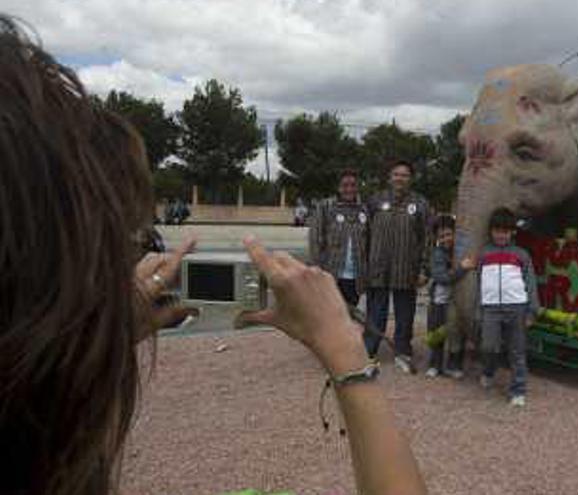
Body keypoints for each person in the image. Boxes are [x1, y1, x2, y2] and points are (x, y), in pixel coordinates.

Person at [0, 16, 426, 495]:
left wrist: (99, 334)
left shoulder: (402, 207)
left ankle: (402, 348)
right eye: (121, 251)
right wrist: (349, 359)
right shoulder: (334, 207)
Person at [461, 208, 539, 407]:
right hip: (490, 309)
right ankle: (488, 371)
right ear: (491, 231)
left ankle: (518, 390)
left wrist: (532, 310)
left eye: (505, 231)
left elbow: (530, 283)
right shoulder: (484, 254)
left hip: (517, 308)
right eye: (497, 231)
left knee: (517, 351)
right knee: (488, 346)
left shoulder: (521, 255)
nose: (501, 235)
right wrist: (478, 309)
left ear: (512, 232)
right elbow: (479, 283)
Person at [363, 159, 431, 374]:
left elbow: (427, 239)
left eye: (404, 175)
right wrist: (365, 264)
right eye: (396, 174)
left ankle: (403, 351)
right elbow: (365, 235)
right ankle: (369, 351)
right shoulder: (375, 201)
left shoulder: (420, 204)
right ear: (389, 177)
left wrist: (424, 269)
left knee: (405, 314)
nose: (399, 178)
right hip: (378, 268)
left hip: (406, 269)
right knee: (375, 312)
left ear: (410, 179)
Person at [308, 169, 369, 306]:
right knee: (329, 317)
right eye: (345, 185)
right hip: (331, 275)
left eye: (353, 185)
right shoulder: (325, 206)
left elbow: (369, 242)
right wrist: (316, 268)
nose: (349, 189)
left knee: (349, 318)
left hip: (356, 277)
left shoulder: (364, 209)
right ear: (338, 187)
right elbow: (316, 239)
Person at [425, 215, 468, 378]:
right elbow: (441, 277)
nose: (445, 239)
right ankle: (435, 364)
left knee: (457, 333)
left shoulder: (461, 252)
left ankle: (454, 364)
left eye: (449, 234)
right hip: (439, 301)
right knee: (436, 333)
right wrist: (461, 269)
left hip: (456, 302)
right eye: (441, 236)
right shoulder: (437, 254)